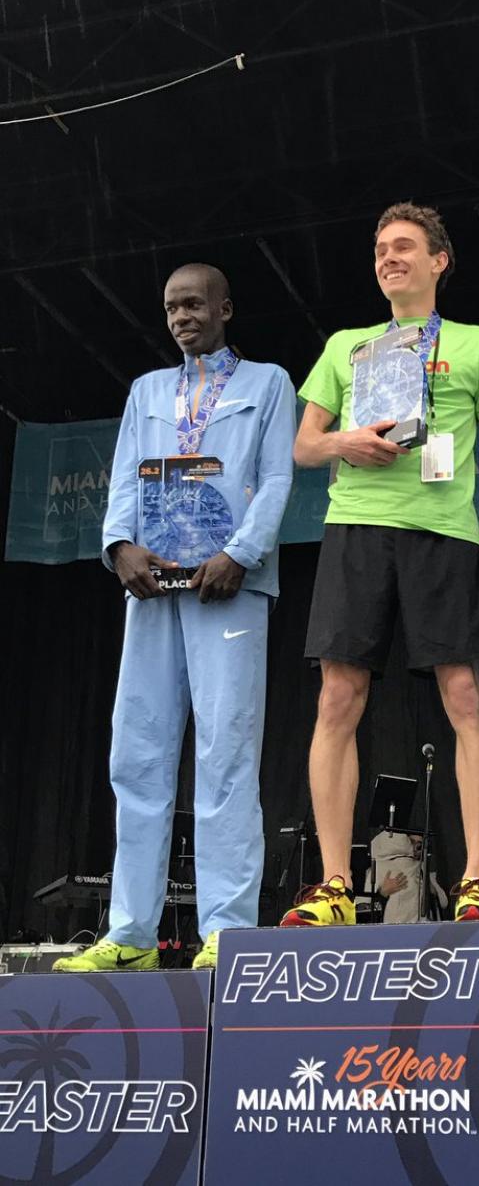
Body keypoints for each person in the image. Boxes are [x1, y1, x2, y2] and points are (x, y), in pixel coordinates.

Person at [280, 202, 479, 929]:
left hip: (443, 529)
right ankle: (331, 885)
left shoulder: (478, 343)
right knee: (336, 699)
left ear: (439, 260)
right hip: (355, 528)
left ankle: (478, 880)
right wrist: (346, 442)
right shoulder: (346, 344)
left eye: (405, 247)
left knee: (465, 694)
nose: (389, 257)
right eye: (381, 247)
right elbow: (303, 445)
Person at [54, 264, 295, 973]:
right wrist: (117, 545)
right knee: (137, 753)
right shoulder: (148, 392)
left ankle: (225, 930)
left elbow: (279, 476)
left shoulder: (269, 383)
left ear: (226, 306)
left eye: (194, 303)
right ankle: (129, 931)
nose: (182, 316)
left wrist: (242, 552)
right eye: (170, 308)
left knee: (225, 753)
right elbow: (126, 477)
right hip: (155, 590)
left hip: (227, 586)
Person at [365, 831, 448, 924]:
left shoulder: (423, 870)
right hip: (388, 929)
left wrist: (429, 887)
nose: (415, 848)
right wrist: (382, 893)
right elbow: (363, 908)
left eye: (419, 845)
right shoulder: (376, 869)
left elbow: (444, 903)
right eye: (411, 842)